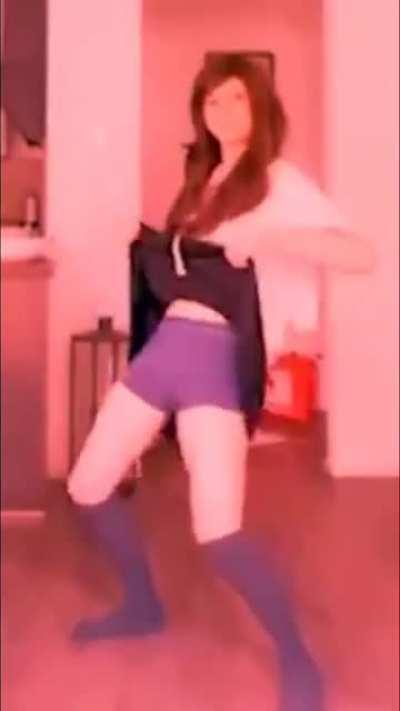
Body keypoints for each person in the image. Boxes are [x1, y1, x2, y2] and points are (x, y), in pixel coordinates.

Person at [67, 54, 374, 710]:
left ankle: (297, 656)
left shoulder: (278, 180)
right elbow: (184, 272)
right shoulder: (200, 182)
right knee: (87, 485)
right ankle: (143, 604)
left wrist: (272, 233)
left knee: (219, 531)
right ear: (200, 113)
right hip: (163, 353)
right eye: (212, 101)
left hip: (216, 360)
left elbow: (360, 253)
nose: (225, 112)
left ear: (260, 106)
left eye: (237, 98)